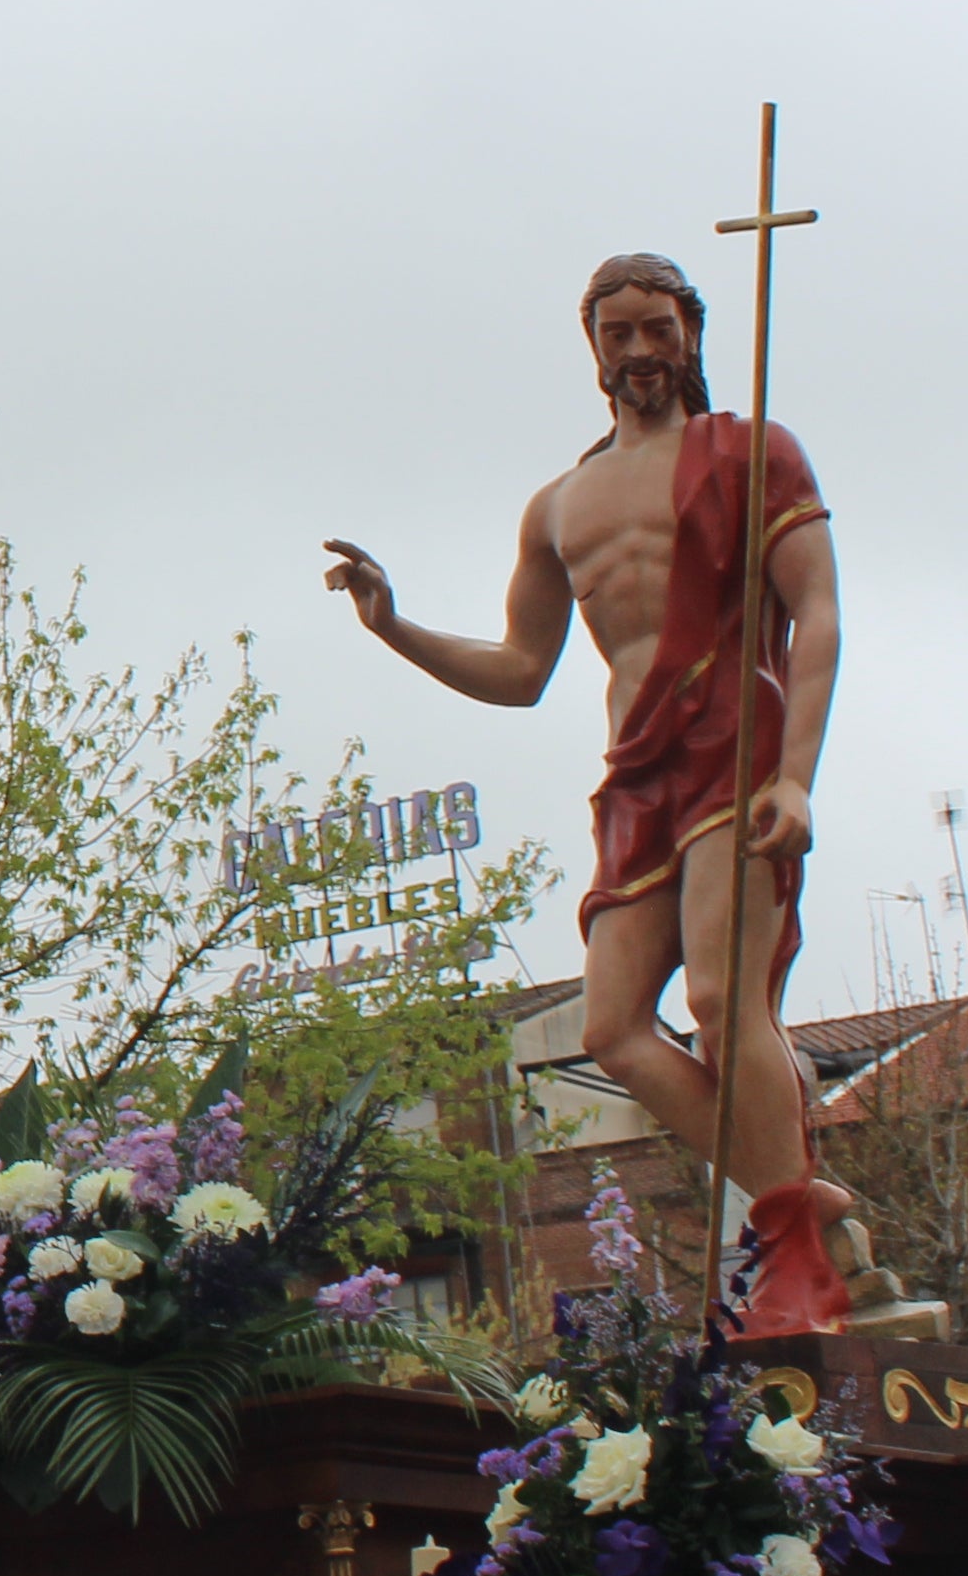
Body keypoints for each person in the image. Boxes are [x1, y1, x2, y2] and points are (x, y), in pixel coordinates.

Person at [325, 249, 855, 1335]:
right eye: (618, 333)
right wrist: (395, 626)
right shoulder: (558, 505)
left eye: (658, 327)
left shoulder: (753, 453)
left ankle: (793, 1244)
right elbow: (522, 673)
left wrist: (796, 774)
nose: (640, 350)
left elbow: (819, 618)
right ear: (594, 350)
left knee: (719, 1003)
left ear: (692, 336)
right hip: (638, 772)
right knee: (612, 1027)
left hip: (737, 749)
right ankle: (791, 1197)